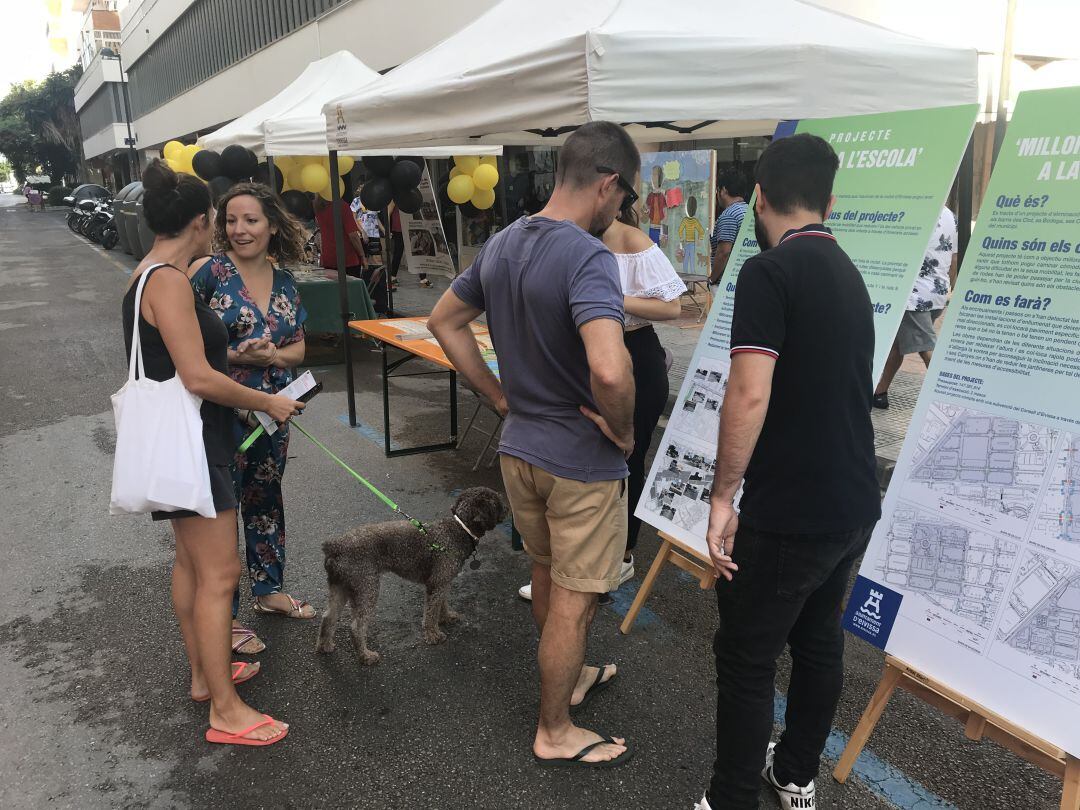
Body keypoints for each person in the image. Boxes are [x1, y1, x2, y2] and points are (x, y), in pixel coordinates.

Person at [429, 121, 639, 768]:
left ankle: (567, 681)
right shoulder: (588, 256)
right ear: (607, 185)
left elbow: (444, 320)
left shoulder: (503, 242)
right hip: (579, 460)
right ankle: (555, 729)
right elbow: (609, 369)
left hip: (519, 452)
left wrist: (498, 397)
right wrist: (625, 431)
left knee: (547, 574)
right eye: (624, 198)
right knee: (575, 603)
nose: (623, 211)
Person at [696, 135, 881, 810]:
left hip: (792, 509)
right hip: (851, 500)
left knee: (745, 657)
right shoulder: (847, 272)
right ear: (830, 201)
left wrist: (722, 496)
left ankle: (731, 797)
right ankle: (796, 772)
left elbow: (748, 393)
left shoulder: (768, 273)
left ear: (759, 200)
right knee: (816, 640)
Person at [122, 159, 301, 745]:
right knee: (220, 573)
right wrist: (265, 401)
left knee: (192, 565)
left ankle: (206, 676)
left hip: (177, 439)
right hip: (197, 439)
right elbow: (198, 377)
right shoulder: (171, 281)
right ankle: (225, 709)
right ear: (201, 221)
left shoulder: (144, 275)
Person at [517, 207, 686, 603]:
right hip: (587, 354)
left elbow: (673, 306)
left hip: (636, 356)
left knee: (629, 458)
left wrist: (614, 297)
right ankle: (575, 564)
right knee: (588, 461)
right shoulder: (571, 237)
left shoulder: (632, 240)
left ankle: (622, 555)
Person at [190, 183, 316, 644]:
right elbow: (181, 349)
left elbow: (299, 347)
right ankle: (226, 617)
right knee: (221, 512)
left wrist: (272, 358)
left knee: (265, 501)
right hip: (221, 413)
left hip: (274, 414)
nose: (239, 230)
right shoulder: (209, 274)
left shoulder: (284, 281)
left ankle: (269, 589)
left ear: (273, 225)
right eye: (231, 220)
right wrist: (238, 356)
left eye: (251, 220)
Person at [872, 206, 958, 409]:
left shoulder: (917, 211)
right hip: (937, 292)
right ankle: (879, 393)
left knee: (925, 346)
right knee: (898, 345)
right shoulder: (951, 216)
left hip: (915, 295)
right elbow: (954, 257)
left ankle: (948, 399)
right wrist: (947, 288)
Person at [314, 194, 388, 315]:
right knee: (350, 296)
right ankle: (352, 324)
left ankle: (336, 324)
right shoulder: (342, 207)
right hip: (347, 258)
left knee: (334, 296)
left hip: (328, 257)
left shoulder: (318, 207)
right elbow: (353, 235)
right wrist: (362, 256)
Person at [708, 168, 750, 284]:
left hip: (726, 285)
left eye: (717, 190)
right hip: (744, 278)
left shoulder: (729, 215)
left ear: (723, 190)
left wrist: (712, 279)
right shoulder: (749, 212)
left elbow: (723, 252)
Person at [387, 200, 430, 289]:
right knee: (398, 253)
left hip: (413, 226)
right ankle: (392, 277)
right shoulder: (395, 196)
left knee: (418, 252)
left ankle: (423, 278)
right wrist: (387, 229)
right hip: (399, 229)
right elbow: (388, 211)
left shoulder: (413, 193)